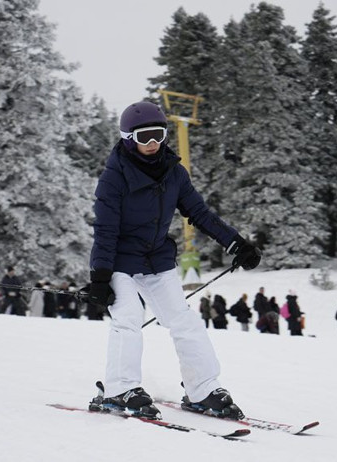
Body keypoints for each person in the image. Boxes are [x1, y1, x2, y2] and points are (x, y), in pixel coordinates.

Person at [86, 101, 261, 420]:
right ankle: (120, 389)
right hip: (120, 259)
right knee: (128, 316)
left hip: (156, 257)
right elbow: (105, 229)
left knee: (184, 320)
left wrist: (235, 243)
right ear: (128, 138)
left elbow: (199, 213)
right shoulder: (114, 177)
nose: (152, 143)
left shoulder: (174, 172)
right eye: (144, 136)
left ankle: (203, 389)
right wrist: (100, 277)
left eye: (158, 134)